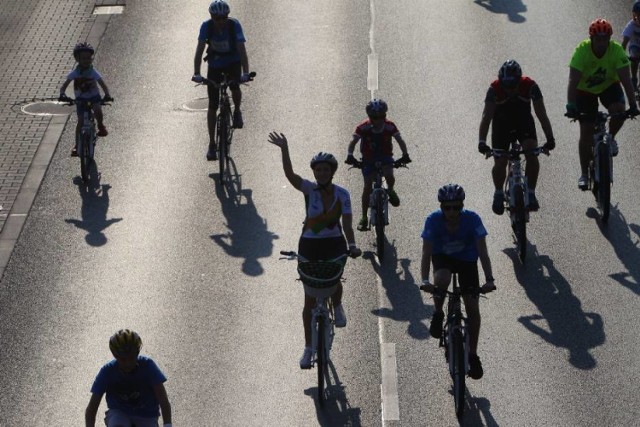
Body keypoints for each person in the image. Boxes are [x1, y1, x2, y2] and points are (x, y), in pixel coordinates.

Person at [268, 132, 362, 369]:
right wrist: (284, 149)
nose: (321, 173)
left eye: (325, 170)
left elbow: (348, 224)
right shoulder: (309, 190)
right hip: (309, 244)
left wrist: (352, 246)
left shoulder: (342, 194)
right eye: (318, 170)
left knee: (334, 277)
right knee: (309, 300)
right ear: (314, 172)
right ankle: (309, 348)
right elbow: (290, 175)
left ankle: (337, 306)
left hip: (335, 244)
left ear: (332, 171)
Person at [419, 184, 496, 380]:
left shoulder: (473, 219)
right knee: (442, 279)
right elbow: (426, 253)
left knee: (472, 307)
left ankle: (473, 355)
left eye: (456, 207)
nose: (451, 212)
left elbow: (483, 252)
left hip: (467, 261)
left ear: (462, 206)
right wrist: (425, 279)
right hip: (442, 258)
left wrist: (489, 279)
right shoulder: (433, 220)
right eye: (447, 207)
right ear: (441, 207)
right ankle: (438, 313)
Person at [566, 18, 639, 190]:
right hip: (585, 90)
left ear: (609, 39)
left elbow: (626, 81)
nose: (601, 43)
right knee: (586, 131)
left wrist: (634, 106)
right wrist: (571, 105)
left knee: (619, 110)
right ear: (591, 39)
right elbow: (572, 81)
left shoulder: (616, 51)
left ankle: (611, 138)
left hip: (609, 86)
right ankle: (584, 173)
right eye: (597, 39)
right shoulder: (582, 51)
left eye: (604, 39)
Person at [478, 60, 555, 214]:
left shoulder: (531, 86)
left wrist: (550, 138)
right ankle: (498, 192)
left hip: (523, 123)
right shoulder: (494, 89)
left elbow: (541, 114)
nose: (510, 90)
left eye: (514, 86)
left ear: (520, 80)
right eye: (507, 87)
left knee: (532, 155)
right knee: (500, 162)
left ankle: (531, 193)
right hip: (501, 126)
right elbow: (486, 117)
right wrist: (482, 142)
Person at [192, 0, 251, 161]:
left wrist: (245, 72)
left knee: (235, 86)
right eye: (217, 18)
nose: (221, 21)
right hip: (215, 64)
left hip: (233, 61)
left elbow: (242, 50)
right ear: (212, 17)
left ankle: (237, 110)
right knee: (213, 105)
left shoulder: (234, 25)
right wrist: (196, 72)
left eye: (224, 17)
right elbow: (199, 50)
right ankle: (212, 144)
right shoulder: (207, 26)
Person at [345, 99, 412, 231]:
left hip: (385, 156)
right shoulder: (363, 127)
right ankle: (364, 218)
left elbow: (400, 140)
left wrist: (405, 154)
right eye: (374, 117)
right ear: (370, 117)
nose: (378, 120)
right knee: (367, 186)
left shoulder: (390, 126)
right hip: (368, 158)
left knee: (389, 176)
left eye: (382, 116)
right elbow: (353, 141)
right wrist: (350, 155)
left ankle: (391, 190)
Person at [85, 329, 172, 427]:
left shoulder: (148, 366)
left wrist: (167, 424)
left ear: (137, 353)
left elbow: (163, 399)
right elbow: (92, 407)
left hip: (147, 415)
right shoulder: (107, 371)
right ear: (115, 355)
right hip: (119, 413)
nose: (128, 363)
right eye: (123, 359)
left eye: (132, 358)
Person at [59, 42, 113, 157]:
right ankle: (77, 144)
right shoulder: (75, 73)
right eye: (83, 58)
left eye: (88, 58)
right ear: (77, 59)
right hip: (81, 99)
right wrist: (62, 93)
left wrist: (107, 94)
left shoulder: (92, 71)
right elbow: (65, 85)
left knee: (97, 109)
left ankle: (100, 126)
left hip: (94, 97)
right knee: (80, 122)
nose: (86, 60)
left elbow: (102, 83)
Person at [622, 2, 640, 91]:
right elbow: (625, 42)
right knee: (635, 57)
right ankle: (634, 79)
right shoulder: (631, 25)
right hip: (635, 47)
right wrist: (621, 54)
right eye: (639, 15)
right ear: (634, 15)